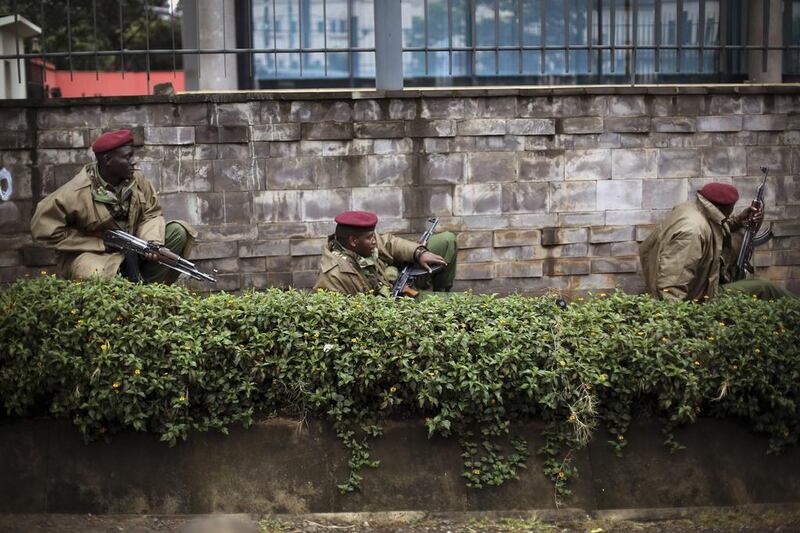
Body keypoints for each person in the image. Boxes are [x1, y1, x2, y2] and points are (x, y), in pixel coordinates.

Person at [30, 129, 196, 284]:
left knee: (177, 232)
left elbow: (151, 214)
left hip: (134, 248)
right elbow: (44, 231)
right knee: (92, 271)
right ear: (107, 160)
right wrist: (98, 243)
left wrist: (151, 243)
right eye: (127, 157)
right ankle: (121, 294)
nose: (134, 161)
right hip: (96, 255)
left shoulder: (137, 180)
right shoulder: (75, 192)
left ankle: (147, 290)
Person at [639, 182, 793, 301]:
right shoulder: (692, 232)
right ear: (727, 208)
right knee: (765, 287)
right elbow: (670, 287)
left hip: (700, 288)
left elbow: (716, 226)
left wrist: (738, 220)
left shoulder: (693, 209)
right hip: (698, 300)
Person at [313, 211, 458, 297]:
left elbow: (390, 242)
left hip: (397, 284)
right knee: (452, 303)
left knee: (446, 240)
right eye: (370, 237)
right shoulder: (332, 276)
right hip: (391, 308)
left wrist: (418, 252)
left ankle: (441, 290)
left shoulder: (361, 244)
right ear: (353, 240)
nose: (375, 241)